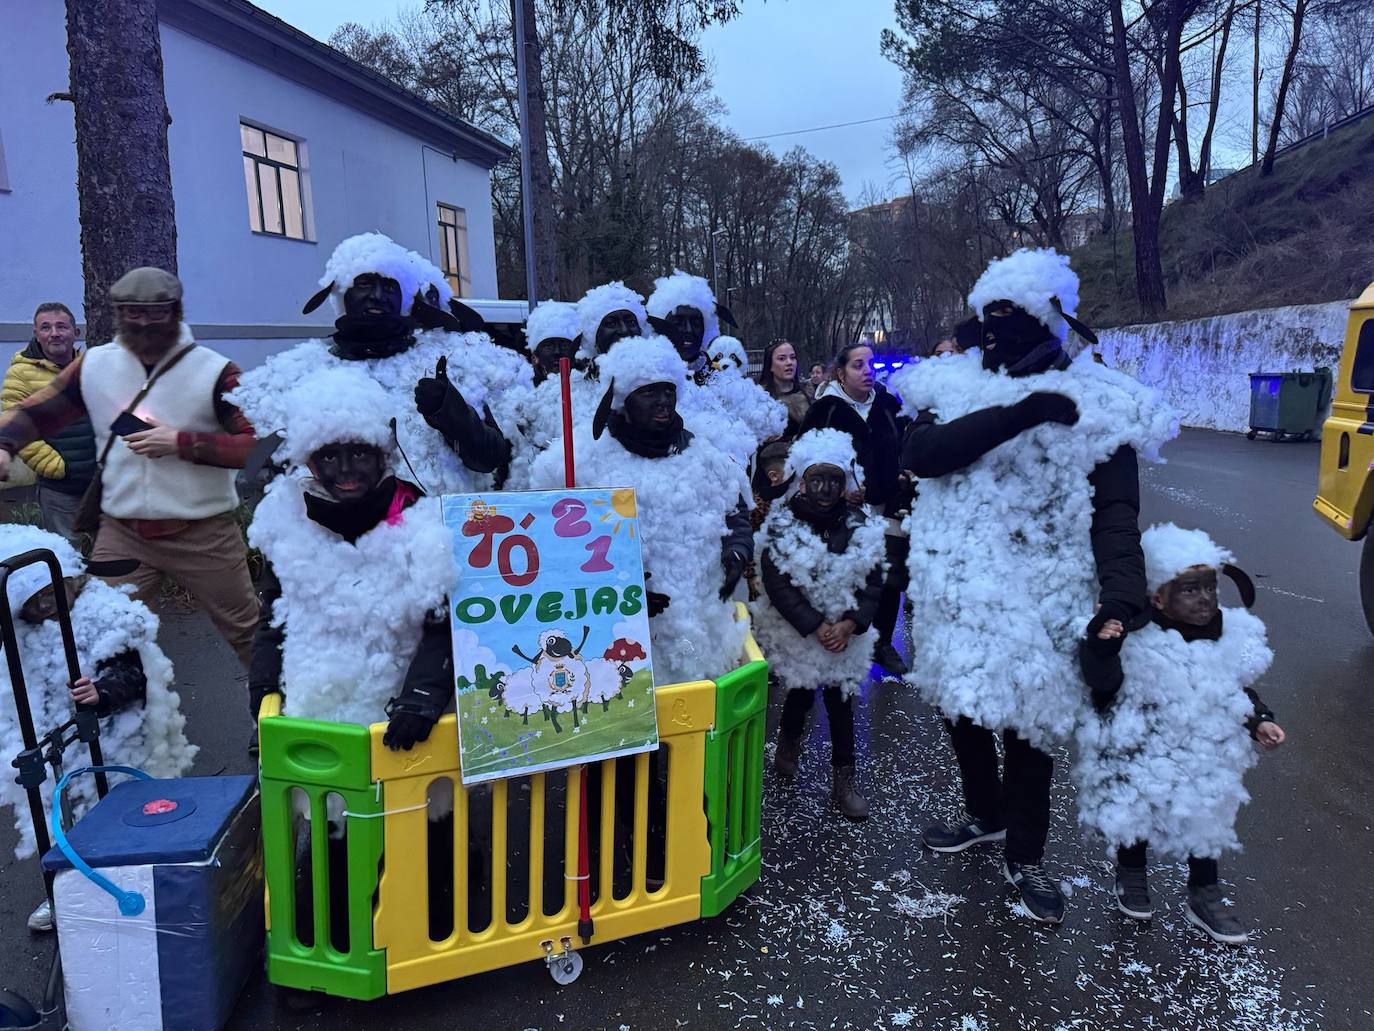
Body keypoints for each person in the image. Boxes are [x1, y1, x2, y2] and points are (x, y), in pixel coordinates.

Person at [893, 247, 1177, 925]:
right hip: (956, 587)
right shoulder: (951, 383)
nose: (997, 328)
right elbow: (922, 456)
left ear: (1049, 317)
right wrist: (1021, 412)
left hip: (1043, 592)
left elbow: (1115, 509)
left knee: (1029, 728)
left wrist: (1121, 593)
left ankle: (1026, 853)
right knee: (959, 708)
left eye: (1012, 315)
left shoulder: (1102, 401)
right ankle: (984, 813)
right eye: (987, 315)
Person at [0, 268, 261, 670]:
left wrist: (181, 442)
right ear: (118, 313)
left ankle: (276, 723)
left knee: (249, 632)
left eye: (152, 313)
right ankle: (131, 726)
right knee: (107, 636)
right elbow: (37, 412)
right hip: (123, 534)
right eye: (130, 312)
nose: (141, 323)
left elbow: (255, 446)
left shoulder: (215, 372)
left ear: (174, 312)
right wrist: (5, 444)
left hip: (204, 533)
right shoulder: (95, 366)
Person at [1074, 524, 1285, 944]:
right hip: (1145, 746)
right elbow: (1104, 685)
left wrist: (1259, 719)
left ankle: (1204, 892)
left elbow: (1236, 690)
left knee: (1206, 815)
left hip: (1204, 750)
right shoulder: (1139, 640)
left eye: (1210, 587)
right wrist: (1102, 647)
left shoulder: (1225, 636)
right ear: (1158, 597)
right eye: (1190, 590)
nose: (1205, 598)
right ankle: (1131, 873)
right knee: (1138, 806)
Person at [0, 523, 196, 930]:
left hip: (113, 739)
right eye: (35, 604)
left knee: (124, 813)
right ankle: (71, 890)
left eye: (54, 595)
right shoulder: (22, 631)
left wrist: (103, 693)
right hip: (58, 742)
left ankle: (139, 883)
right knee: (63, 818)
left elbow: (132, 673)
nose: (48, 608)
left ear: (73, 579)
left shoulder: (103, 614)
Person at [232, 233, 530, 498]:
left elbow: (491, 458)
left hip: (433, 542)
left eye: (390, 286)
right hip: (338, 547)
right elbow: (256, 473)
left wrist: (450, 412)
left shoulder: (451, 362)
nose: (377, 295)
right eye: (364, 283)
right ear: (341, 292)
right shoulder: (299, 373)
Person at [247, 366, 455, 745]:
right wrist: (264, 687)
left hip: (396, 718)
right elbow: (274, 615)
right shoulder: (288, 518)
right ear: (309, 460)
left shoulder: (417, 517)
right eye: (328, 456)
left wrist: (424, 697)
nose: (344, 470)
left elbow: (444, 623)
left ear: (382, 454)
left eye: (359, 452)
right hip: (313, 718)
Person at [530, 335, 752, 684]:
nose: (663, 401)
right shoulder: (583, 462)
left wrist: (737, 553)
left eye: (668, 390)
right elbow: (556, 550)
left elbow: (736, 514)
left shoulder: (705, 456)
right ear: (623, 401)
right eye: (649, 393)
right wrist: (619, 594)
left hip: (699, 630)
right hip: (619, 646)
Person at [754, 429, 886, 821]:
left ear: (845, 482)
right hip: (801, 632)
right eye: (817, 479)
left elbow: (873, 578)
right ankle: (788, 742)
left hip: (844, 636)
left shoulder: (859, 524)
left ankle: (845, 779)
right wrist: (813, 624)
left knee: (840, 701)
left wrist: (851, 623)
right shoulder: (784, 525)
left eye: (835, 479)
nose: (827, 488)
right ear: (802, 481)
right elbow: (776, 581)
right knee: (800, 692)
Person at [802, 342, 910, 676]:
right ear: (840, 372)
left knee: (890, 576)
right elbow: (807, 457)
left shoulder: (888, 404)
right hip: (841, 510)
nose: (866, 372)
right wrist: (840, 490)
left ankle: (881, 643)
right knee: (846, 576)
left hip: (887, 502)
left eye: (869, 365)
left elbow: (906, 444)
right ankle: (837, 639)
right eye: (857, 366)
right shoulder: (828, 409)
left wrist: (904, 473)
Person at [1, 304, 96, 544]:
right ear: (36, 334)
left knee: (109, 554)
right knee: (67, 554)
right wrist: (56, 467)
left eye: (61, 326)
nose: (54, 333)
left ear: (75, 332)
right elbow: (16, 422)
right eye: (46, 327)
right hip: (60, 487)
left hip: (100, 481)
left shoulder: (91, 367)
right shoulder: (21, 373)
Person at [646, 270, 731, 386]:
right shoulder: (646, 379)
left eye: (696, 323)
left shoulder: (723, 380)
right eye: (678, 323)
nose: (689, 330)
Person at [575, 281, 649, 373]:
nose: (624, 330)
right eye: (611, 324)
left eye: (631, 322)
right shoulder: (578, 385)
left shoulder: (661, 377)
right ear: (594, 338)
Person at [758, 340, 812, 439]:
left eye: (792, 357)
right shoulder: (760, 398)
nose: (789, 363)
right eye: (782, 359)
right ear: (770, 365)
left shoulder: (807, 394)